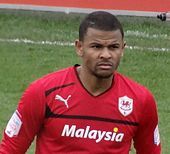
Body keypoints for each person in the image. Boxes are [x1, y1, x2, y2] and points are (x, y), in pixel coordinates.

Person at [0, 11, 161, 154]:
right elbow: (10, 149)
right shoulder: (43, 92)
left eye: (113, 47)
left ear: (123, 49)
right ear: (79, 47)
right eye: (96, 46)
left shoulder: (140, 100)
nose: (106, 54)